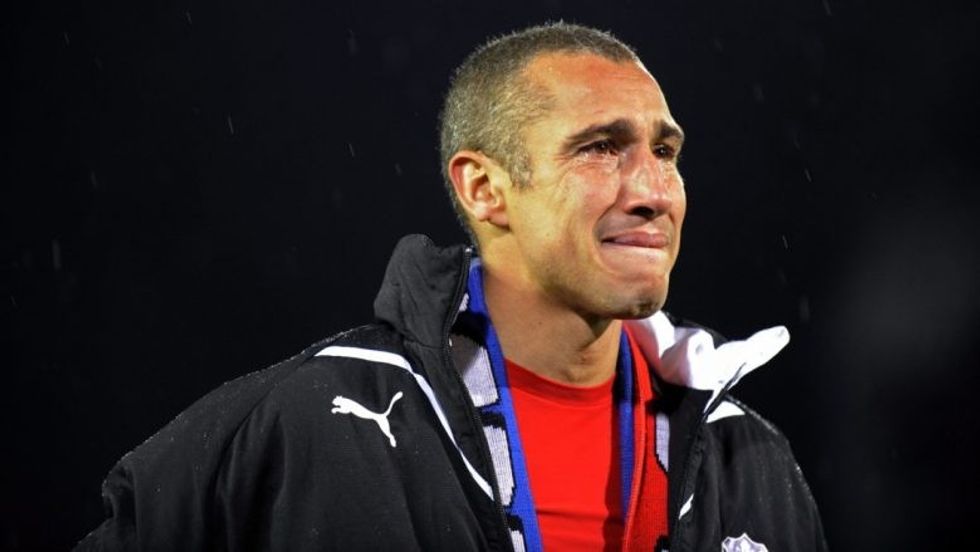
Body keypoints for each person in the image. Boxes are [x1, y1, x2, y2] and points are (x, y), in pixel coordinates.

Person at [76, 23, 827, 552]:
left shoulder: (746, 458)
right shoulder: (314, 423)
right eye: (601, 149)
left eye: (664, 152)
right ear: (485, 189)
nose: (654, 191)